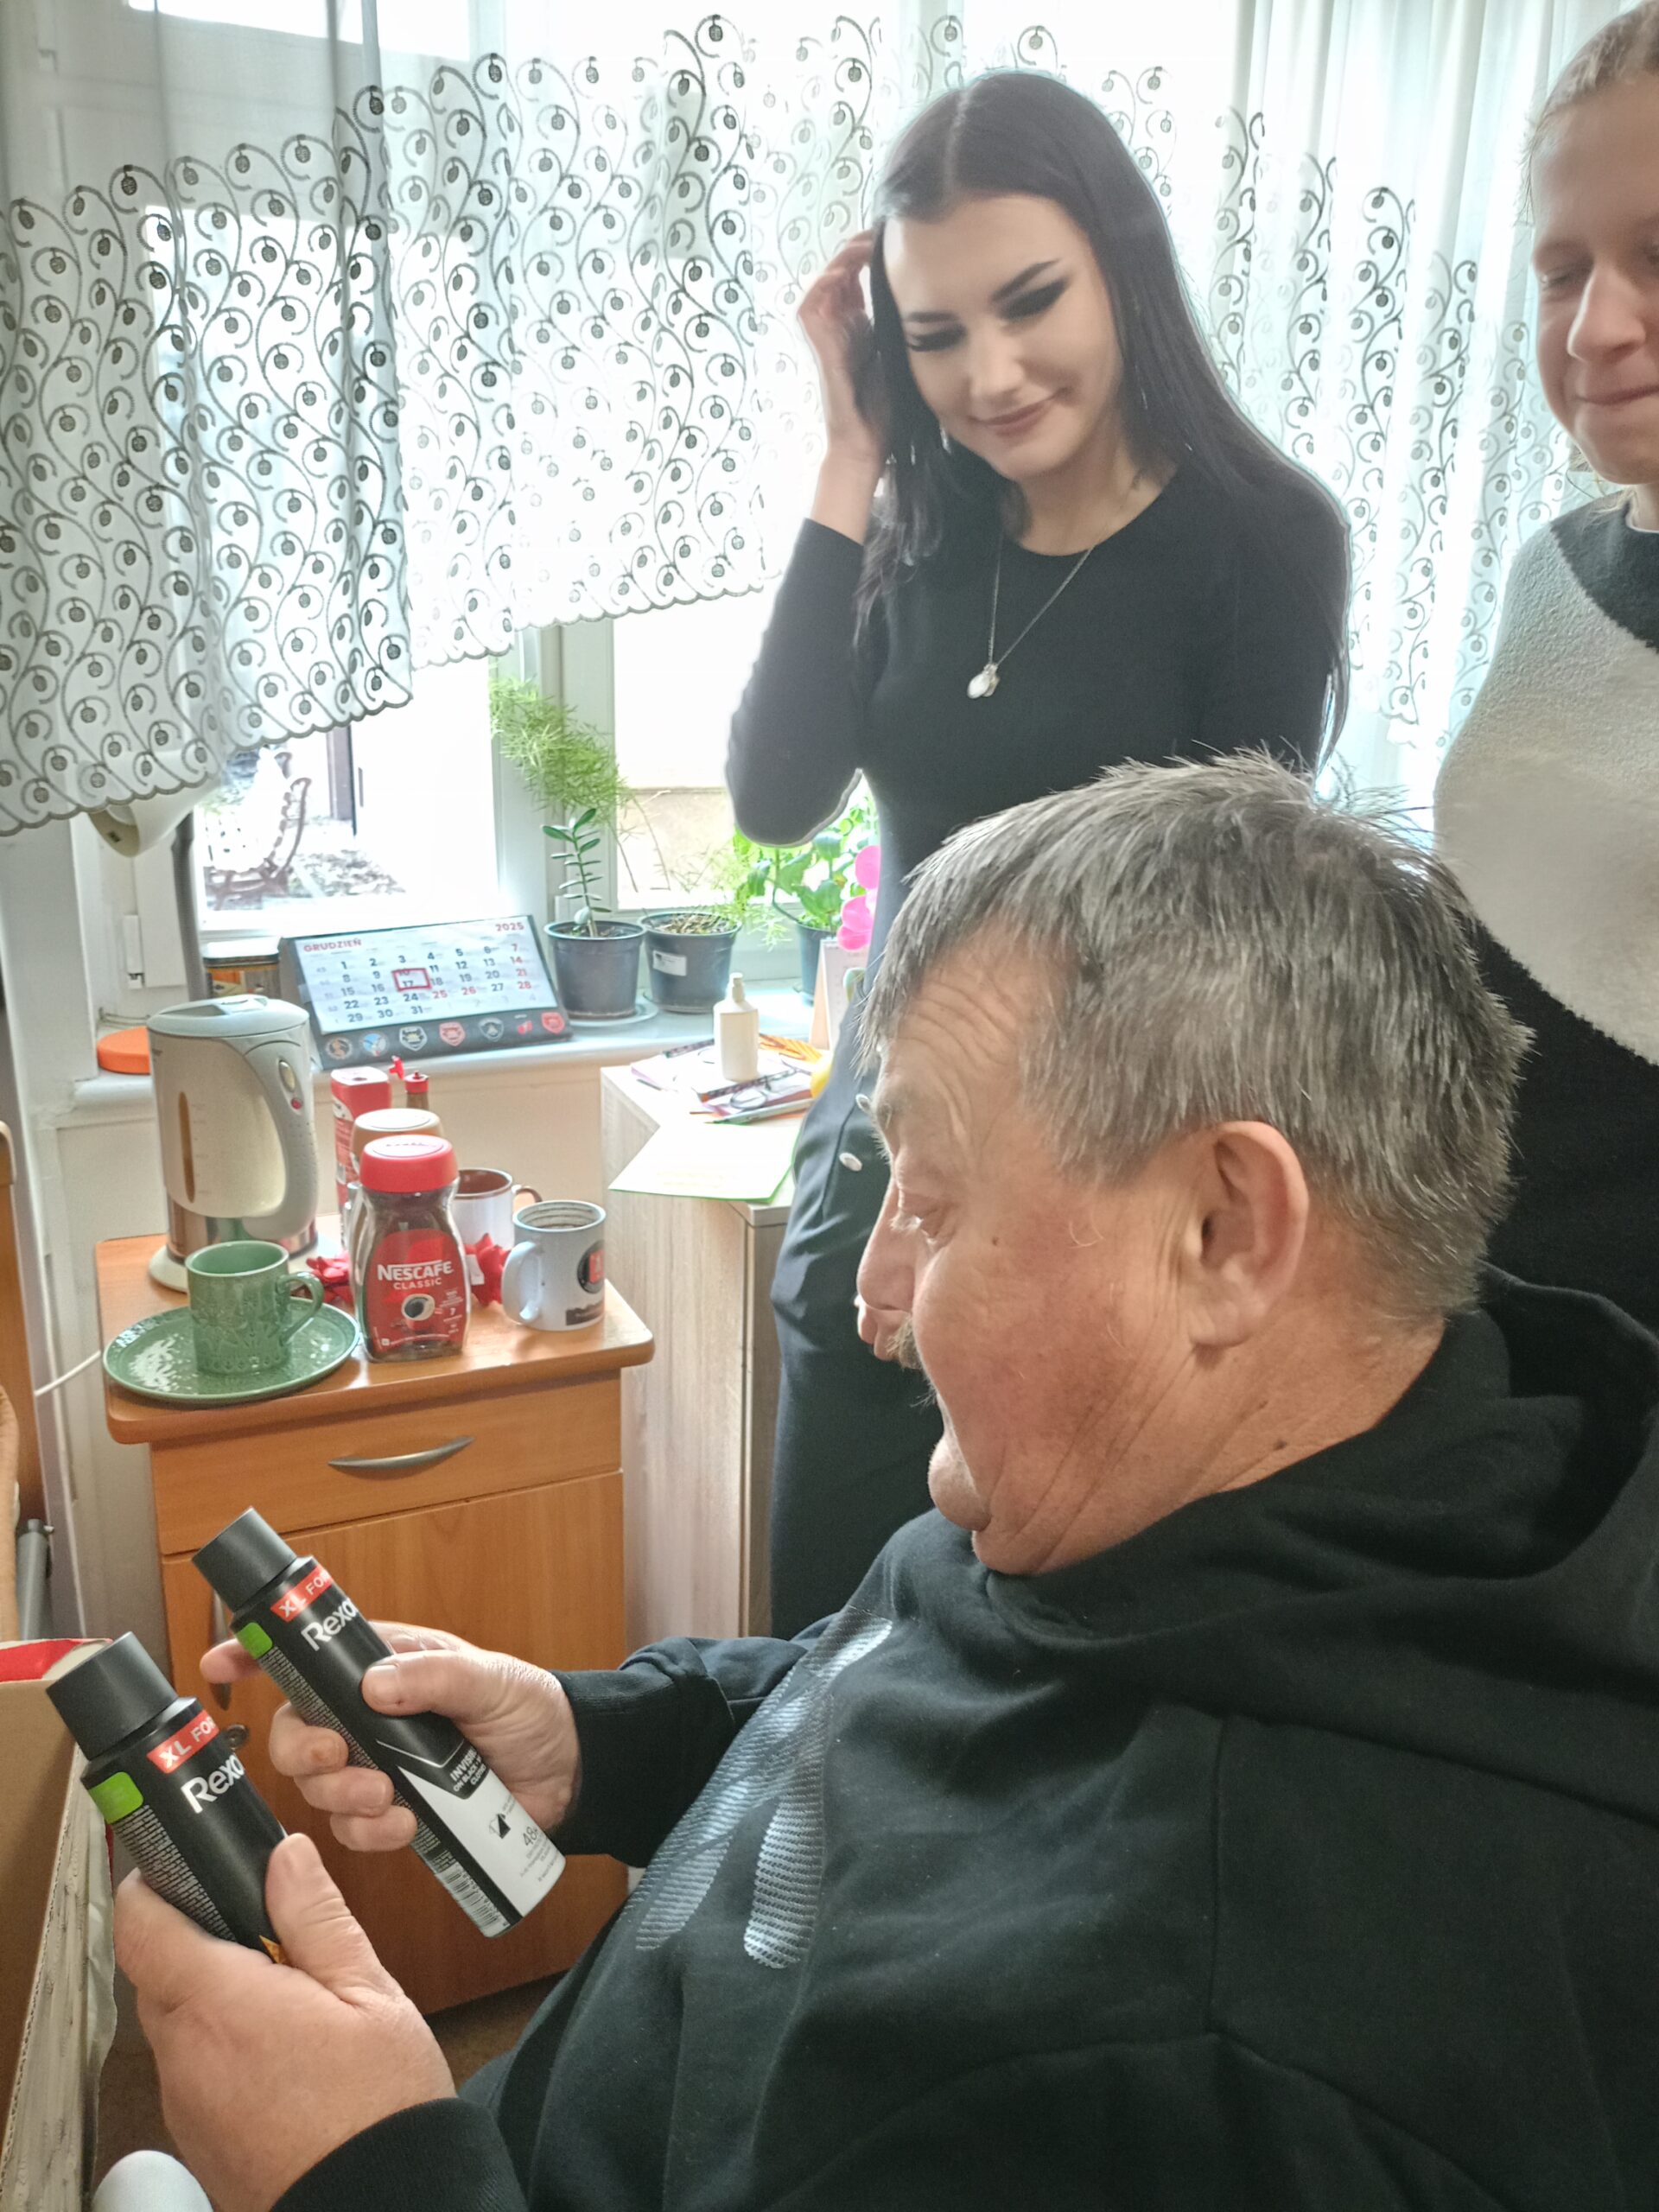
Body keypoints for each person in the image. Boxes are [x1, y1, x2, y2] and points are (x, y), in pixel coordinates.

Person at [118, 756, 1659, 2212]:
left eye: (930, 1198)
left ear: (1225, 1231)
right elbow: (904, 1696)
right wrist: (597, 1742)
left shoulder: (1211, 2056)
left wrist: (368, 2170)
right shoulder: (1225, 1486)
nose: (879, 1286)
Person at [728, 69, 1351, 1633]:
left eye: (1030, 303)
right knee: (818, 1663)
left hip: (1096, 1207)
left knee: (1033, 1676)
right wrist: (851, 454)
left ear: (1120, 264)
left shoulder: (1261, 542)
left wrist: (950, 1201)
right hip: (875, 1173)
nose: (990, 375)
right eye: (935, 333)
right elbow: (775, 793)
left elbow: (1221, 933)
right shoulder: (918, 537)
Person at [1434, 0, 1659, 1328]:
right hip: (1476, 1310)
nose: (1593, 330)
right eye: (1563, 270)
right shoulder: (1553, 572)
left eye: (1657, 255)